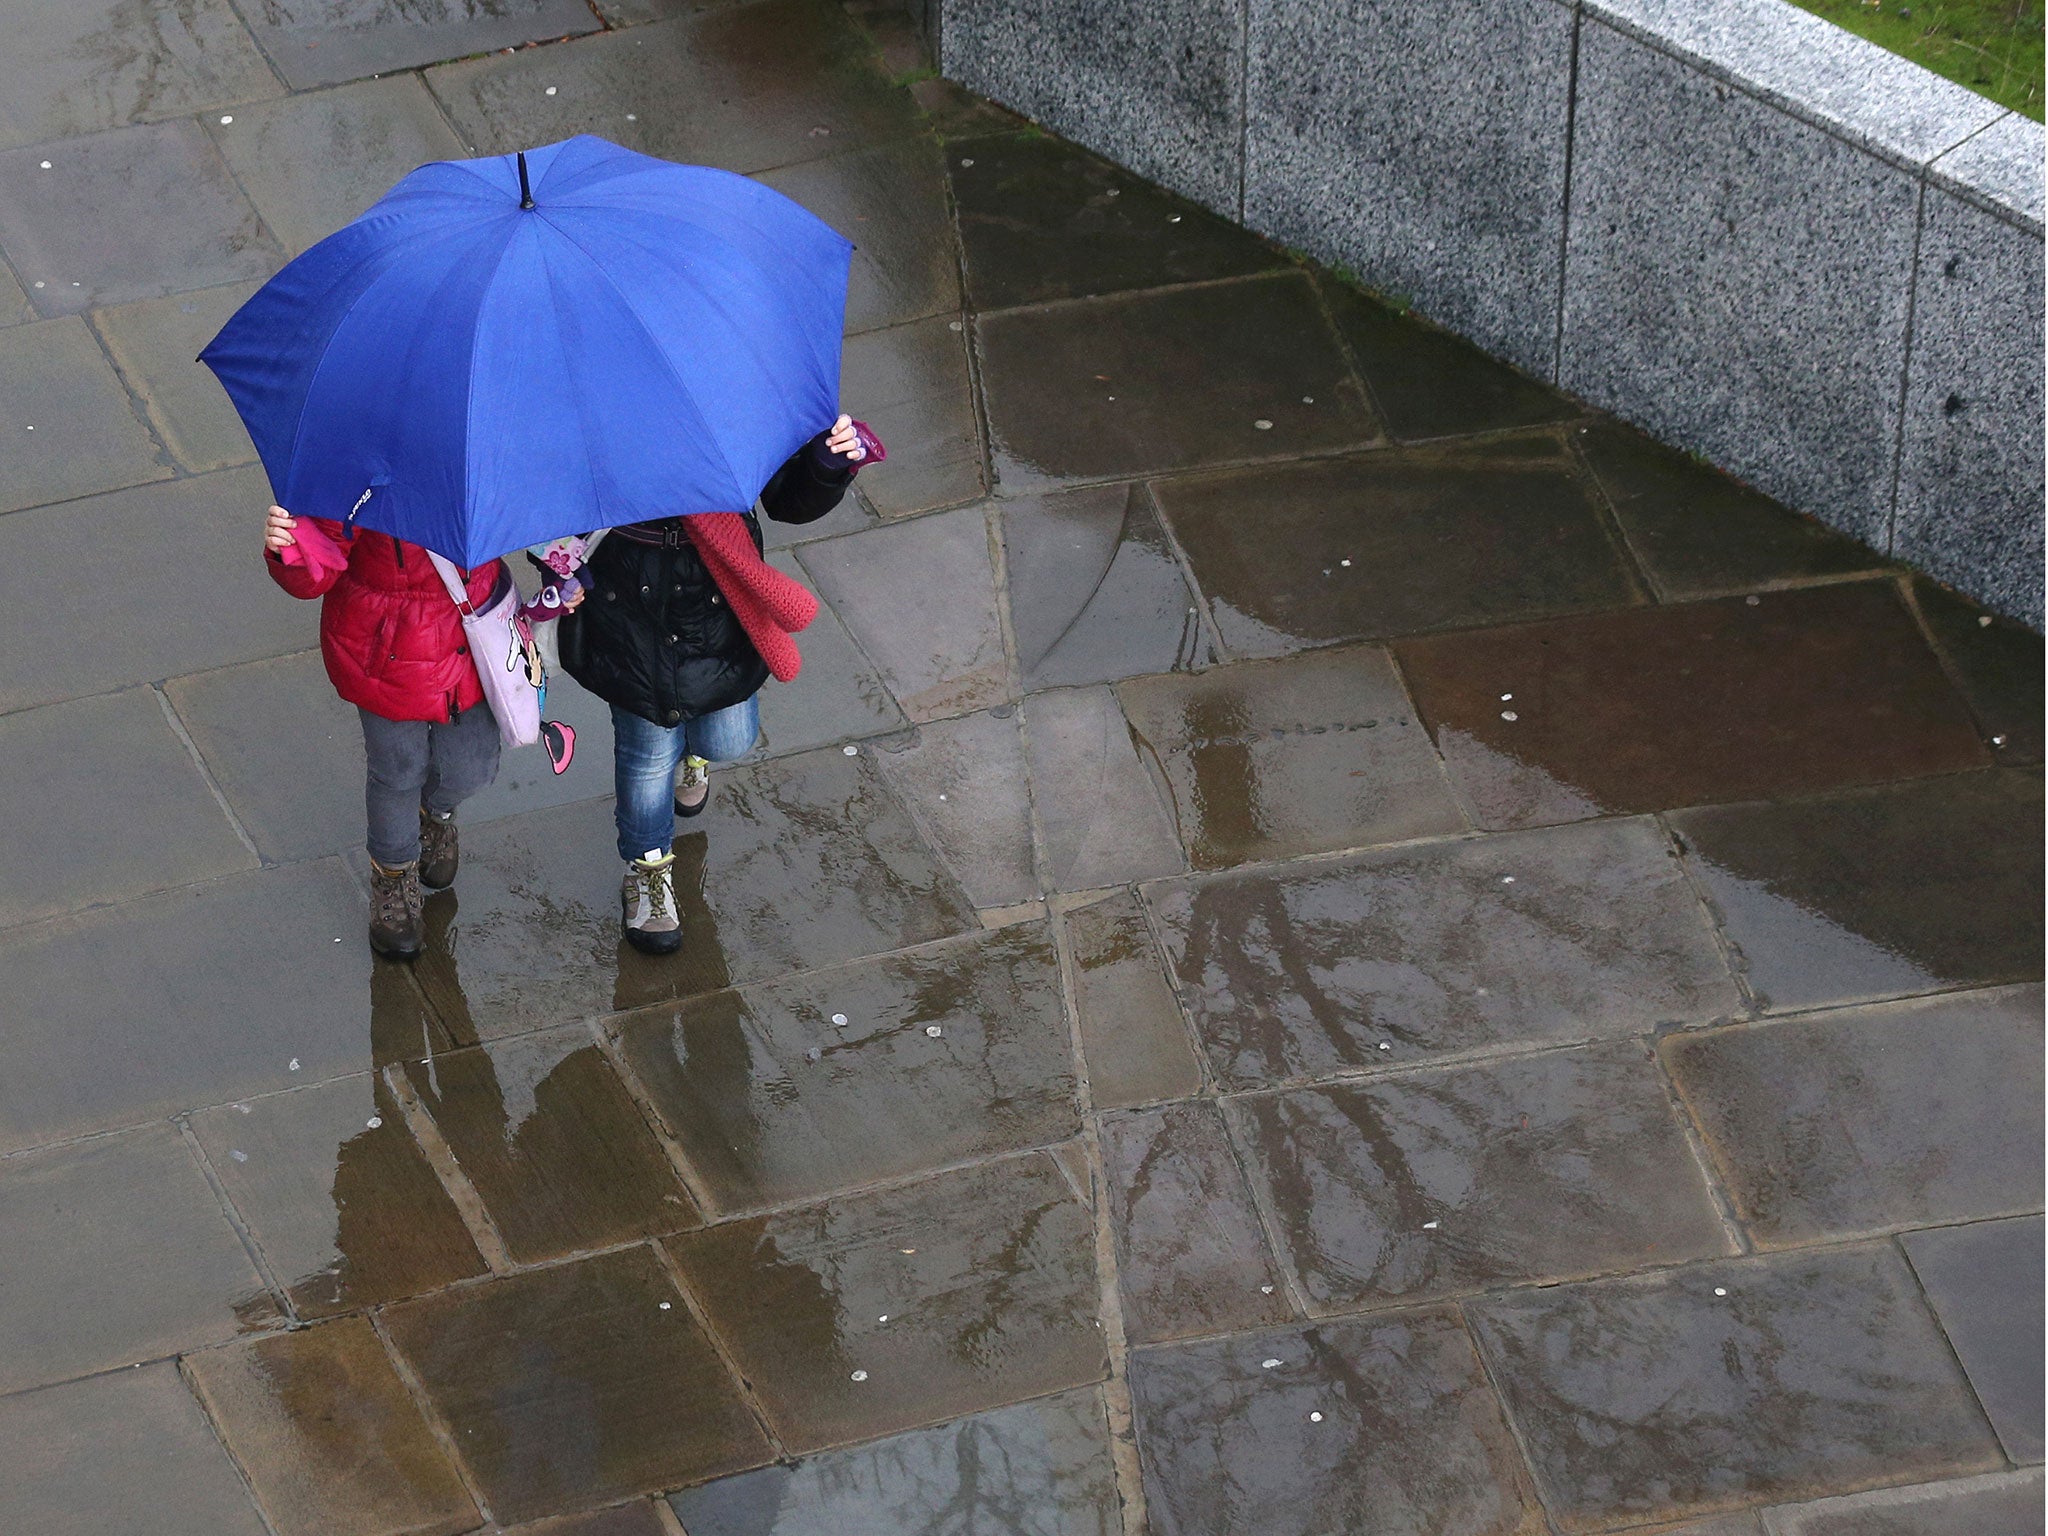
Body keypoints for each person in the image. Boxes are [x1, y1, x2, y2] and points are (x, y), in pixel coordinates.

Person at [557, 414, 868, 953]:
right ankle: (647, 870)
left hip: (720, 584)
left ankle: (695, 752)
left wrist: (824, 462)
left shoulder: (721, 381)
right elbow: (547, 496)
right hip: (629, 592)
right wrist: (561, 566)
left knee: (728, 736)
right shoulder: (585, 393)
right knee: (648, 751)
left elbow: (785, 498)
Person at [261, 505, 580, 959]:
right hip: (386, 652)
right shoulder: (356, 466)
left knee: (471, 767)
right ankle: (393, 877)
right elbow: (316, 572)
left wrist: (563, 575)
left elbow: (526, 511)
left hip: (470, 643)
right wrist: (288, 546)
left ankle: (436, 816)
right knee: (398, 771)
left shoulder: (480, 451)